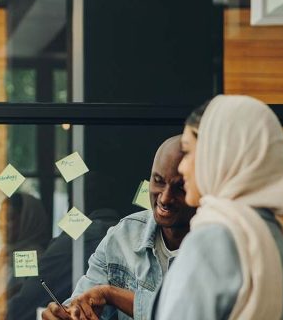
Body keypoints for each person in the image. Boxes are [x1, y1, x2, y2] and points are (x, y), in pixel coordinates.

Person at [152, 95, 283, 319]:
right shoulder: (281, 240)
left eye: (188, 151)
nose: (182, 167)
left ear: (218, 154)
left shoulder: (212, 241)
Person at [42, 135, 196, 320]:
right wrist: (67, 314)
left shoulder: (215, 249)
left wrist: (111, 294)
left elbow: (186, 313)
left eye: (180, 188)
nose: (165, 198)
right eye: (158, 181)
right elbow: (83, 302)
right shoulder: (122, 236)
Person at [0, 193, 51, 319]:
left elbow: (23, 297)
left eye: (9, 218)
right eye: (0, 219)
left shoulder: (32, 258)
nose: (2, 225)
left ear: (28, 220)